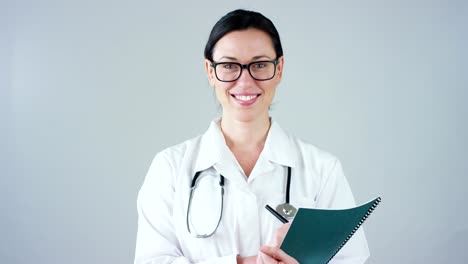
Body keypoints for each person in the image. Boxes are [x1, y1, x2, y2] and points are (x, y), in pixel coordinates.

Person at [134, 9, 370, 264]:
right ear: (210, 71)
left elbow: (350, 260)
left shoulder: (322, 170)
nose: (245, 82)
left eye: (259, 64)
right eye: (229, 66)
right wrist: (245, 262)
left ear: (279, 69)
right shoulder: (170, 168)